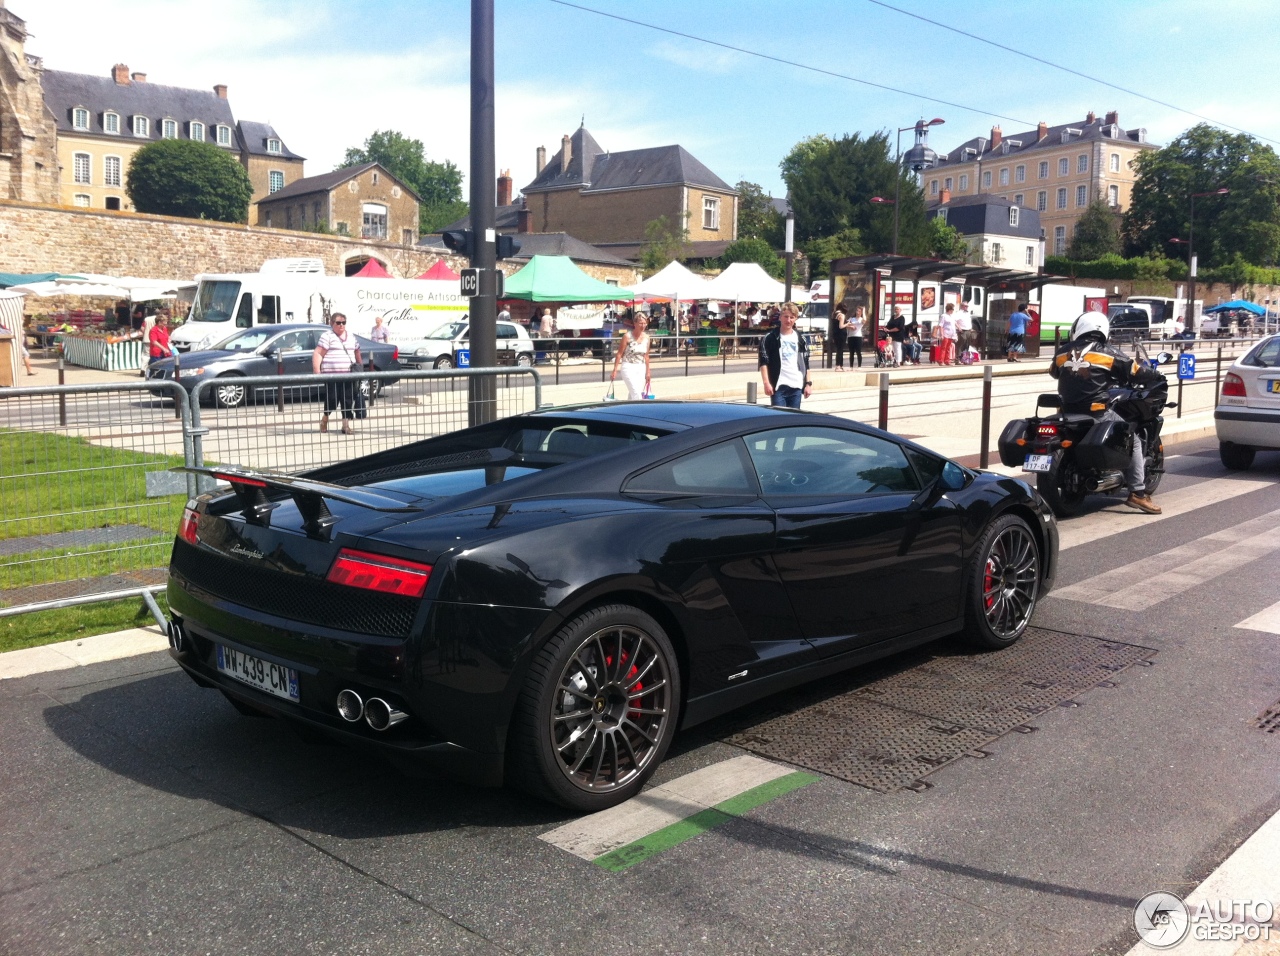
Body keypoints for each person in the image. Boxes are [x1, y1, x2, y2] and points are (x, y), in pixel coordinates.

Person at [1049, 311, 1164, 514]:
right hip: (1096, 413)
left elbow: (1054, 372)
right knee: (1133, 440)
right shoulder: (1107, 352)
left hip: (1066, 412)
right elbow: (1135, 371)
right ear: (1103, 330)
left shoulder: (1062, 352)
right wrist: (1154, 374)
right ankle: (1138, 494)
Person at [313, 312, 362, 435]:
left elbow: (357, 352)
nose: (341, 325)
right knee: (332, 399)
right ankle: (325, 419)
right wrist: (317, 371)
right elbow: (318, 353)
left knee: (347, 400)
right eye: (338, 323)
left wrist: (360, 368)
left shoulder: (351, 336)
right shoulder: (327, 336)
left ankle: (345, 426)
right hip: (332, 375)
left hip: (349, 375)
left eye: (343, 323)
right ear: (332, 323)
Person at [758, 302, 811, 408]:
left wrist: (808, 384)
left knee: (794, 421)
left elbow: (806, 362)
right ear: (780, 317)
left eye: (792, 317)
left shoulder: (800, 339)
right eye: (786, 316)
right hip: (778, 386)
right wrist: (766, 383)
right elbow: (764, 362)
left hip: (796, 385)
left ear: (796, 319)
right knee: (779, 418)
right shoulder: (770, 337)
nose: (788, 320)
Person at [610, 312, 653, 400]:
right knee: (636, 394)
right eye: (641, 323)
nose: (643, 325)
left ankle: (628, 409)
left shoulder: (647, 338)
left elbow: (646, 356)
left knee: (633, 393)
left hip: (641, 367)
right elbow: (619, 354)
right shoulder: (627, 336)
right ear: (635, 323)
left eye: (645, 323)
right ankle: (640, 412)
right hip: (628, 366)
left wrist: (648, 371)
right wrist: (615, 370)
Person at [830, 305, 847, 371]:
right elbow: (841, 326)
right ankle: (838, 366)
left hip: (835, 334)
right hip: (841, 334)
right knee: (840, 350)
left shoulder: (833, 314)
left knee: (839, 350)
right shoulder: (841, 315)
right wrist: (847, 324)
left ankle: (840, 365)